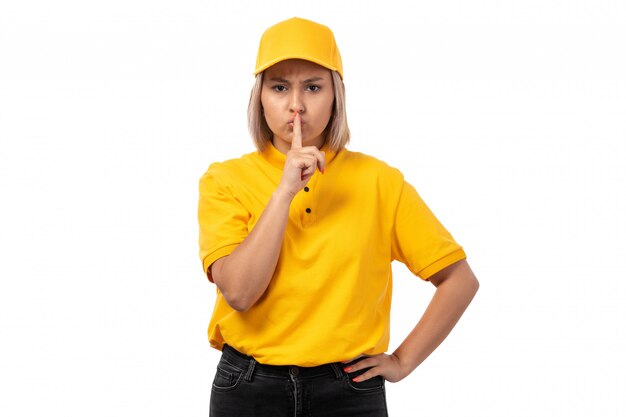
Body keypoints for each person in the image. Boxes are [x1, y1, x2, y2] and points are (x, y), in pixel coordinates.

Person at [197, 17, 479, 417]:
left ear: (335, 96)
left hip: (348, 391)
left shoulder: (380, 182)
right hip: (249, 387)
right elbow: (240, 294)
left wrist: (402, 361)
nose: (296, 105)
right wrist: (285, 192)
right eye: (279, 87)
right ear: (260, 96)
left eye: (313, 87)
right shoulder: (225, 179)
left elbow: (459, 280)